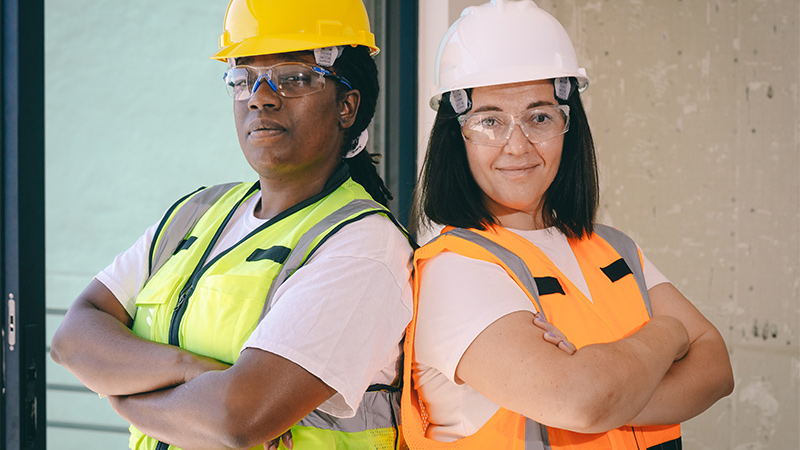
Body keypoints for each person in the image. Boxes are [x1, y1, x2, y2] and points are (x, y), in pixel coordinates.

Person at [50, 1, 414, 449]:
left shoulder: (363, 247)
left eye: (294, 77)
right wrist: (191, 371)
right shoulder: (197, 213)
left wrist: (125, 397)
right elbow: (72, 338)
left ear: (346, 106)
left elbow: (236, 419)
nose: (260, 96)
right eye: (243, 80)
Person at [401, 1, 734, 449]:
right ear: (455, 135)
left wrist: (608, 387)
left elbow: (716, 370)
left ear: (568, 126)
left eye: (540, 117)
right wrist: (669, 333)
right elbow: (580, 403)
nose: (517, 146)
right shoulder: (455, 270)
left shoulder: (612, 248)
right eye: (490, 121)